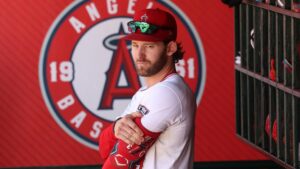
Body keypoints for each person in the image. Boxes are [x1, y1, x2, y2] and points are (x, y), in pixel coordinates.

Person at [99, 8, 196, 169]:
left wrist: (116, 132)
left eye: (149, 46)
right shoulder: (144, 93)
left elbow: (118, 162)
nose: (140, 55)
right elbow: (105, 149)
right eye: (135, 45)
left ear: (170, 48)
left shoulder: (168, 93)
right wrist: (116, 127)